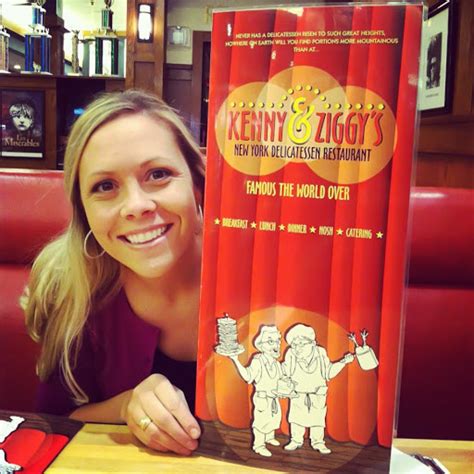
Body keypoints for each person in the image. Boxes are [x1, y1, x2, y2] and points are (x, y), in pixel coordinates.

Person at [22, 90, 205, 456]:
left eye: (158, 174)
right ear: (83, 210)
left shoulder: (261, 266)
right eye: (105, 186)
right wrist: (125, 408)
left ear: (197, 183)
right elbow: (55, 420)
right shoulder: (72, 289)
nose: (136, 206)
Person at [283, 324, 354, 454]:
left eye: (301, 344)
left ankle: (318, 442)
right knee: (296, 419)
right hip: (298, 393)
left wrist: (343, 362)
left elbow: (328, 373)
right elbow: (285, 371)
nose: (297, 348)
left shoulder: (320, 353)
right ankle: (296, 440)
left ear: (313, 343)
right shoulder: (291, 354)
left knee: (318, 420)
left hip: (317, 394)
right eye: (294, 344)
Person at [227, 325, 284, 457]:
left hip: (274, 398)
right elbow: (248, 377)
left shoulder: (276, 364)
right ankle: (258, 445)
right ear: (262, 345)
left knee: (274, 418)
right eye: (271, 341)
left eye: (277, 341)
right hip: (262, 398)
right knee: (261, 422)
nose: (276, 345)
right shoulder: (258, 361)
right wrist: (235, 359)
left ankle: (269, 437)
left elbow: (281, 379)